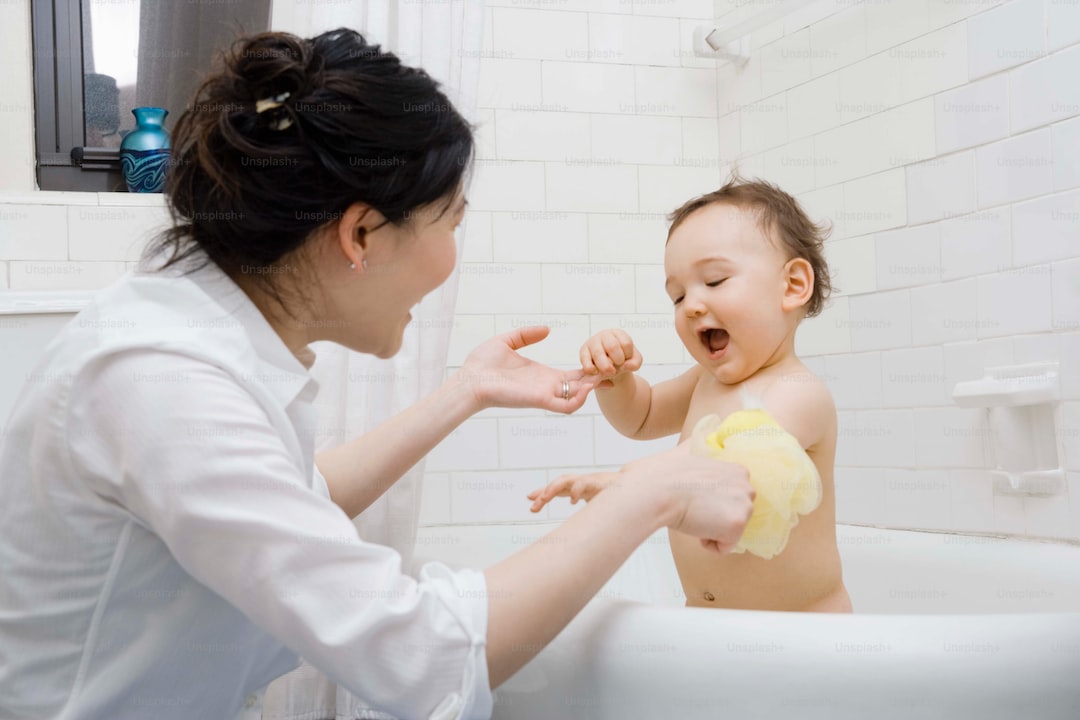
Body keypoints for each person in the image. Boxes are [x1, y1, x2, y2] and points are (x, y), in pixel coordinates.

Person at [0, 29, 755, 720]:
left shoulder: (193, 340)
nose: (453, 255)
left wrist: (467, 391)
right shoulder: (165, 382)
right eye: (451, 222)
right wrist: (653, 492)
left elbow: (299, 500)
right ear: (361, 233)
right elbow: (422, 655)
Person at [529, 177, 852, 614]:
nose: (692, 306)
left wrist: (630, 483)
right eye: (678, 296)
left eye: (714, 281)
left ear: (792, 285)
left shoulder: (799, 392)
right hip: (705, 620)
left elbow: (733, 462)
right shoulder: (705, 381)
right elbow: (641, 417)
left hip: (803, 632)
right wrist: (616, 380)